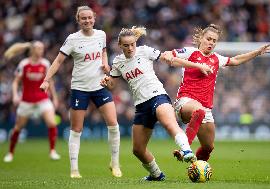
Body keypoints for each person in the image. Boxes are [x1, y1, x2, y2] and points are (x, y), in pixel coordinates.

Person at [101, 26, 198, 181]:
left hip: (158, 96)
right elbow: (112, 84)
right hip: (141, 106)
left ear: (136, 42)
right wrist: (107, 82)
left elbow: (169, 59)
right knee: (138, 149)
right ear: (120, 45)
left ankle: (186, 151)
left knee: (169, 124)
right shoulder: (118, 62)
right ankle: (156, 175)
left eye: (132, 44)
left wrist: (197, 66)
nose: (130, 48)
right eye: (126, 45)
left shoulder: (145, 51)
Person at [163, 24, 270, 161]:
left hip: (205, 108)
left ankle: (196, 168)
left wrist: (256, 52)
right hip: (185, 101)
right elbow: (167, 56)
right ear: (201, 38)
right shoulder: (190, 52)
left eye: (214, 41)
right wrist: (195, 65)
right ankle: (185, 149)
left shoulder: (216, 59)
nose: (211, 43)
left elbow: (235, 60)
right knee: (199, 111)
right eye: (209, 39)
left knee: (208, 147)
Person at [39, 6, 122, 178]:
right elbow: (58, 61)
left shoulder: (101, 35)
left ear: (94, 18)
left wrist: (105, 65)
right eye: (83, 18)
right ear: (78, 20)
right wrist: (46, 80)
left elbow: (103, 52)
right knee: (76, 129)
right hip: (80, 89)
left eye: (90, 17)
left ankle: (115, 163)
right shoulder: (72, 39)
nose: (87, 21)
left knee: (113, 125)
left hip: (100, 86)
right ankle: (74, 169)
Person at [3, 41, 61, 163]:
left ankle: (52, 151)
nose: (41, 50)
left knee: (52, 123)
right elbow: (15, 82)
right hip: (26, 101)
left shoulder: (45, 64)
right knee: (18, 127)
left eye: (42, 48)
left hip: (42, 99)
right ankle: (10, 153)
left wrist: (54, 98)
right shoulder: (24, 64)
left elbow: (50, 82)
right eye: (39, 48)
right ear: (32, 50)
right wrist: (15, 95)